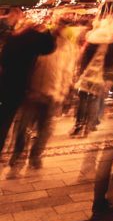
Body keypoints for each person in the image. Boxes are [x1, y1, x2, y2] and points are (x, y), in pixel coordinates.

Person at [8, 22, 81, 172]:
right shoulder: (41, 46)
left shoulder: (68, 50)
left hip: (52, 95)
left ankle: (35, 156)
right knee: (23, 127)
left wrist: (62, 93)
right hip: (33, 92)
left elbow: (68, 73)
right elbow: (29, 67)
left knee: (45, 129)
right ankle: (18, 154)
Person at [0, 11, 55, 154]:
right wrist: (46, 29)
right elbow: (49, 47)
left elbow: (4, 58)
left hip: (7, 81)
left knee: (5, 118)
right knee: (6, 119)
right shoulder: (31, 37)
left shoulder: (14, 36)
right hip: (17, 84)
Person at [72, 15, 113, 136]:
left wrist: (80, 72)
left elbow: (83, 58)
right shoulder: (111, 44)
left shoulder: (92, 41)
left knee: (82, 99)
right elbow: (112, 62)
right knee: (94, 99)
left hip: (87, 73)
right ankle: (89, 126)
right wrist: (109, 78)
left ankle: (79, 125)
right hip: (100, 76)